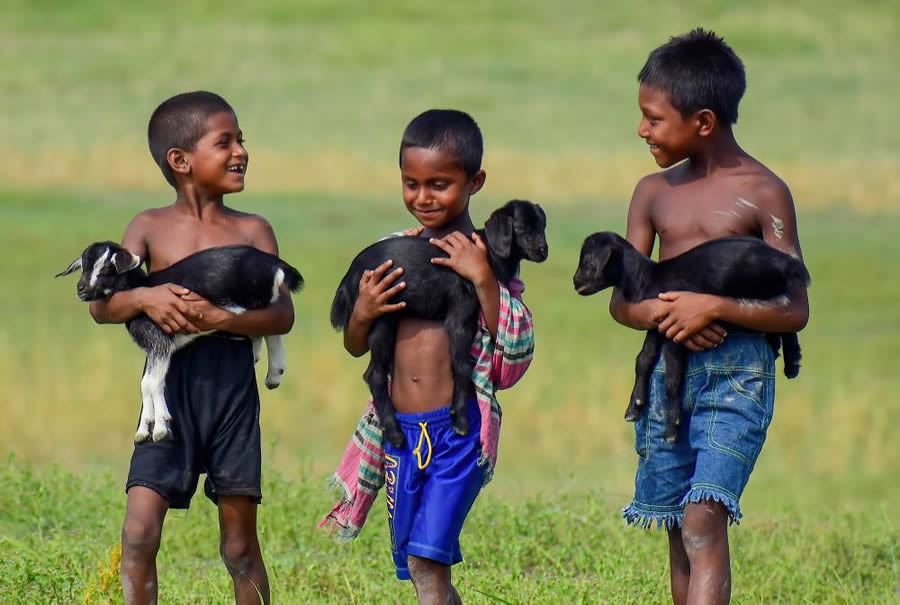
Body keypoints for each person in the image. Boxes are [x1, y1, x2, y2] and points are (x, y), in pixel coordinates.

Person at [609, 29, 809, 604]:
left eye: (653, 118)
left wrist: (716, 307)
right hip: (669, 382)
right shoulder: (652, 193)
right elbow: (622, 301)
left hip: (737, 378)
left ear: (702, 121)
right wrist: (663, 313)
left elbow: (795, 307)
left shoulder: (765, 192)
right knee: (677, 524)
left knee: (703, 519)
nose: (642, 130)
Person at [320, 109, 535, 605]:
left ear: (474, 181)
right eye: (411, 183)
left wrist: (483, 278)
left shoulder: (487, 259)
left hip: (458, 433)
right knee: (420, 570)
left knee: (426, 561)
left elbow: (511, 361)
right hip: (398, 435)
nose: (423, 197)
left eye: (439, 183)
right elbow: (356, 345)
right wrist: (365, 311)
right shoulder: (396, 254)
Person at [89, 91, 295, 604]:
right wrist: (144, 295)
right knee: (139, 532)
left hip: (232, 394)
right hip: (168, 394)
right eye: (225, 142)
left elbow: (282, 315)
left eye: (241, 141)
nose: (240, 152)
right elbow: (101, 304)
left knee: (240, 547)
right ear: (180, 161)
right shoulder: (148, 227)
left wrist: (220, 318)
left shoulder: (254, 230)